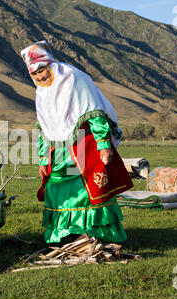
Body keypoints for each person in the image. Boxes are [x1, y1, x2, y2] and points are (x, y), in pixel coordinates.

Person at [20, 40, 133, 244]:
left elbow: (94, 111)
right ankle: (64, 234)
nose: (39, 77)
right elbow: (44, 127)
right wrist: (44, 156)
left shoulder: (74, 78)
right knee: (56, 188)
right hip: (60, 152)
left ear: (50, 65)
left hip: (84, 145)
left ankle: (96, 234)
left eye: (42, 71)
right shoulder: (42, 92)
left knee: (88, 190)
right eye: (34, 74)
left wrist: (104, 144)